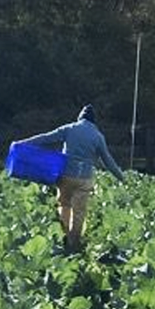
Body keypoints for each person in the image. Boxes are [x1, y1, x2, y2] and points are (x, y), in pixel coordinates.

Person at [22, 104, 124, 253]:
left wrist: (24, 143)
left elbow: (46, 138)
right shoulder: (98, 136)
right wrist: (120, 176)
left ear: (80, 118)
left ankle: (65, 234)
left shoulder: (70, 128)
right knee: (79, 212)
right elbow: (108, 160)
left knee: (64, 205)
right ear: (93, 121)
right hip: (85, 178)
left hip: (66, 175)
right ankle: (74, 243)